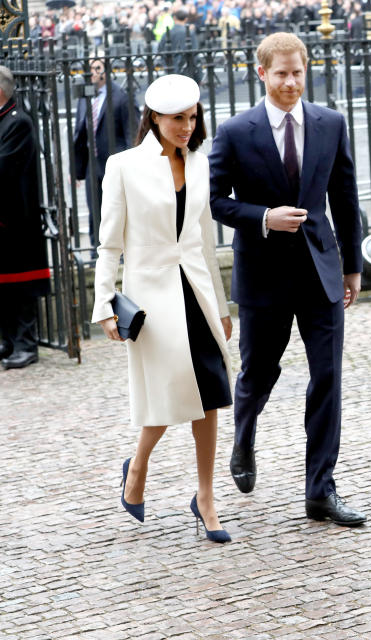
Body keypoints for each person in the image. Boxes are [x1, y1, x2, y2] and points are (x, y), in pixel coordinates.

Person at [209, 33, 367, 527]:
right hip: (262, 275)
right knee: (259, 374)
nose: (290, 82)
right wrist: (263, 217)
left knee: (328, 379)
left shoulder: (331, 123)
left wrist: (353, 266)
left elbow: (345, 198)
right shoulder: (235, 131)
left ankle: (320, 490)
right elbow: (214, 200)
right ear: (261, 73)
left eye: (297, 72)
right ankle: (244, 436)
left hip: (320, 272)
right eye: (280, 73)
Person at [92, 75, 233, 543]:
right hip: (151, 300)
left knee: (210, 394)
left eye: (193, 118)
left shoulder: (199, 163)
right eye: (178, 119)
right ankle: (138, 466)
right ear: (154, 118)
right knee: (169, 394)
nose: (187, 127)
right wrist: (104, 305)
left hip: (196, 295)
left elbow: (203, 241)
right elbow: (108, 243)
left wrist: (222, 303)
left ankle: (206, 498)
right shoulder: (124, 166)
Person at [0, 66, 50, 371]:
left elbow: (4, 168)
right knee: (3, 290)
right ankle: (7, 341)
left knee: (20, 289)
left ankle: (26, 344)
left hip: (17, 220)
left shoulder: (18, 123)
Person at [72, 58, 139, 258]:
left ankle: (119, 254)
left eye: (97, 68)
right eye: (90, 68)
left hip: (115, 166)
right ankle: (96, 253)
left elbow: (131, 135)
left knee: (116, 213)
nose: (92, 72)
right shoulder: (85, 96)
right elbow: (80, 135)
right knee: (95, 212)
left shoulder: (121, 96)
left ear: (106, 71)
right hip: (93, 166)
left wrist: (131, 168)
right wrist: (77, 170)